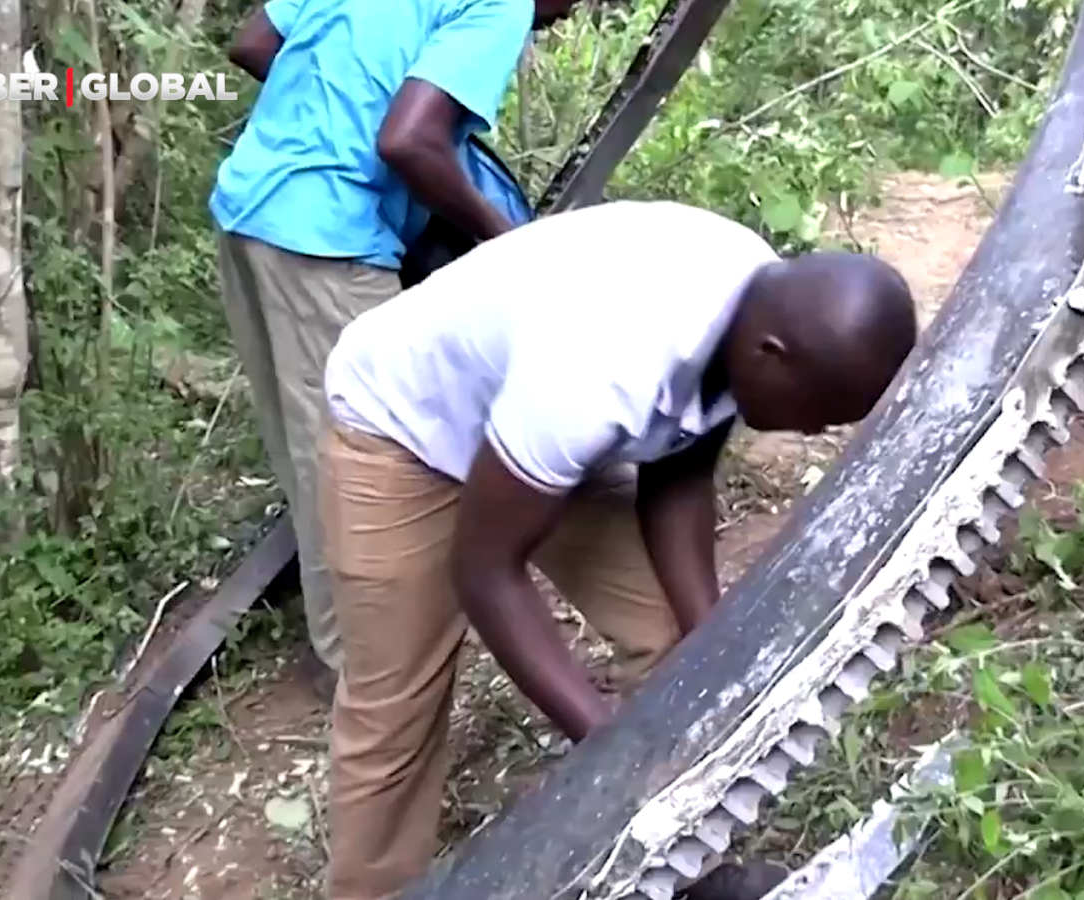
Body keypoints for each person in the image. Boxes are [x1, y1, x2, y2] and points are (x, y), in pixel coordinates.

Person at [316, 199, 919, 900]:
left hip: (531, 431)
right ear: (772, 355)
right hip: (403, 436)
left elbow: (677, 478)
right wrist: (616, 758)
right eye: (817, 411)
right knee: (398, 706)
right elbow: (487, 573)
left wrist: (710, 641)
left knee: (670, 642)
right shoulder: (601, 366)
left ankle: (679, 867)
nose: (812, 431)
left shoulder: (756, 306)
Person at [210, 0, 580, 694]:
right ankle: (373, 674)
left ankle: (346, 650)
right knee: (382, 460)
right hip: (324, 239)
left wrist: (327, 120)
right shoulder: (500, 6)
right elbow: (408, 143)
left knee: (316, 450)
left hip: (251, 205)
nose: (566, 17)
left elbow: (256, 43)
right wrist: (514, 246)